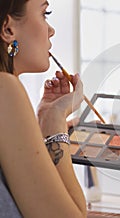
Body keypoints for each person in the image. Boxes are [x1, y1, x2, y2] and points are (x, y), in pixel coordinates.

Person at [0, 0, 87, 217]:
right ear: (8, 29)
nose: (51, 30)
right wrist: (54, 119)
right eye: (44, 13)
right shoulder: (5, 90)